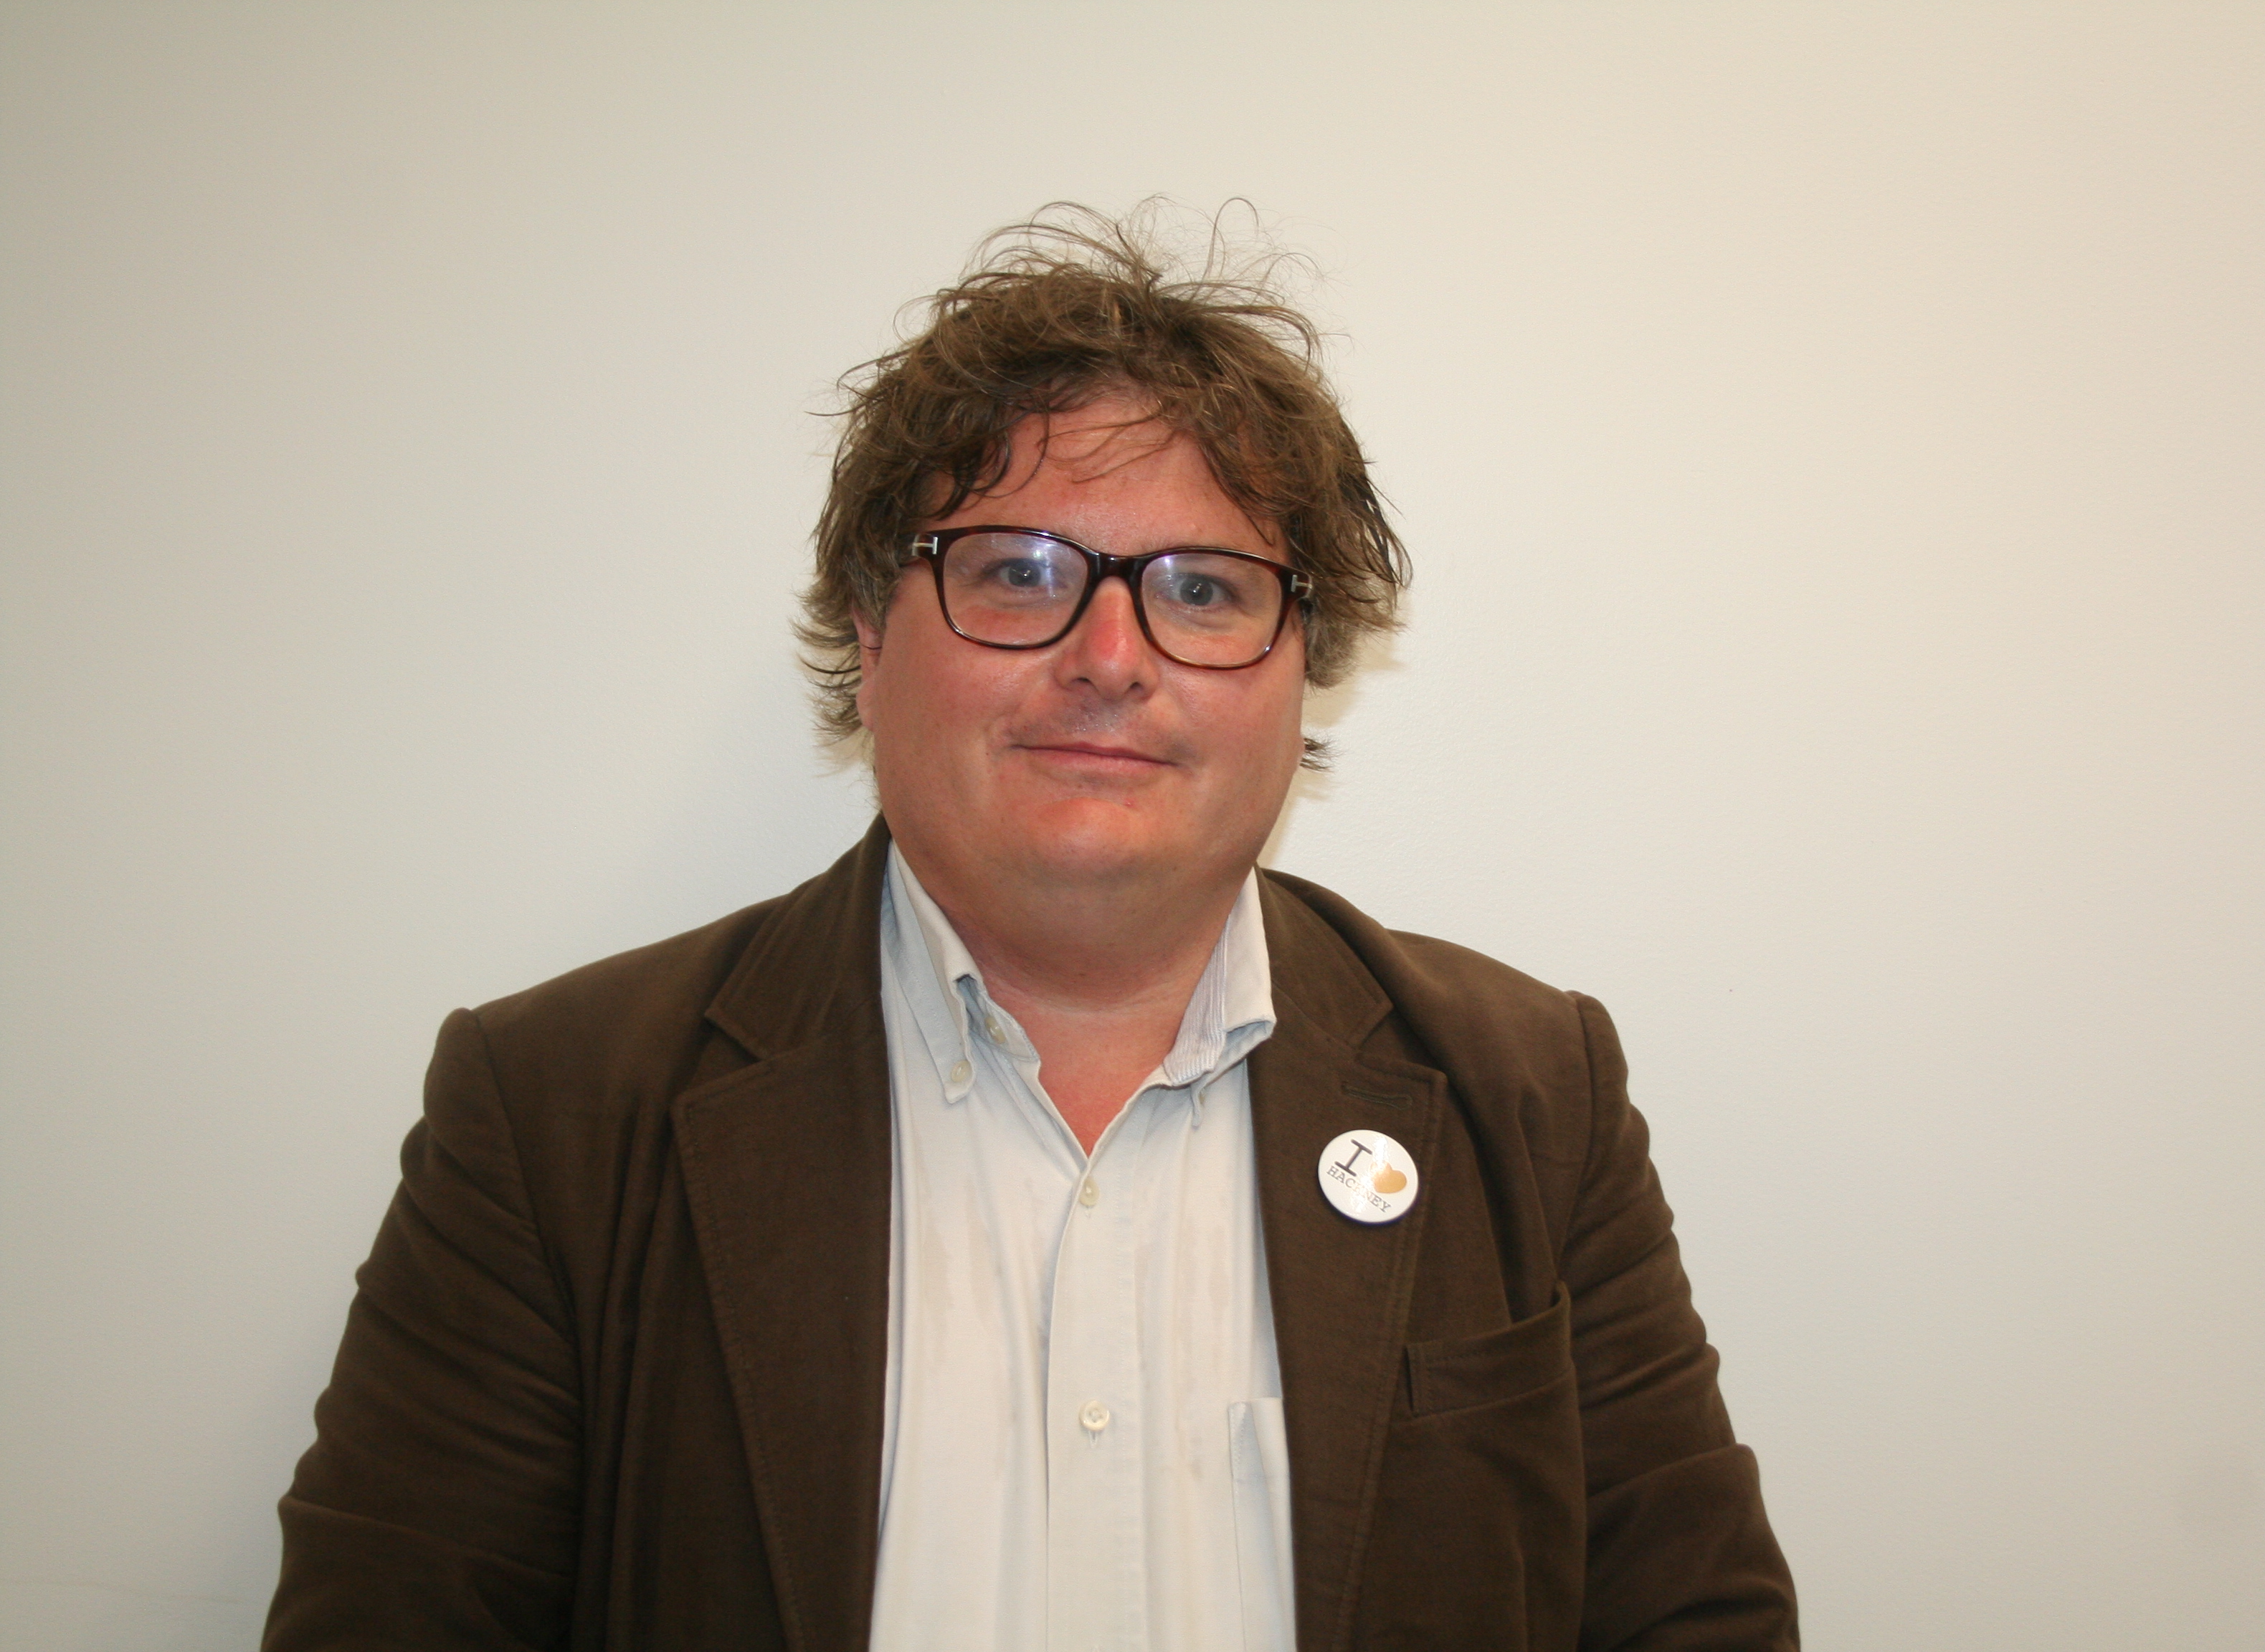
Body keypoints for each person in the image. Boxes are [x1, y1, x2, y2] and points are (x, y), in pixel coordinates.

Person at [265, 206, 1798, 1651]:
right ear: (869, 636)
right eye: (1019, 573)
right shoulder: (556, 1114)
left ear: (1297, 665)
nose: (1111, 657)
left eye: (1204, 590)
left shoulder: (1527, 1097)